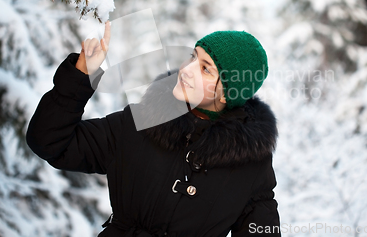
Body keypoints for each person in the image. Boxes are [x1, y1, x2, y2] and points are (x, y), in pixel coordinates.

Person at [26, 21, 281, 237]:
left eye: (205, 68)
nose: (187, 70)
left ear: (229, 93)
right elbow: (50, 142)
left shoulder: (251, 164)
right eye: (193, 56)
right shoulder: (140, 122)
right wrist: (79, 77)